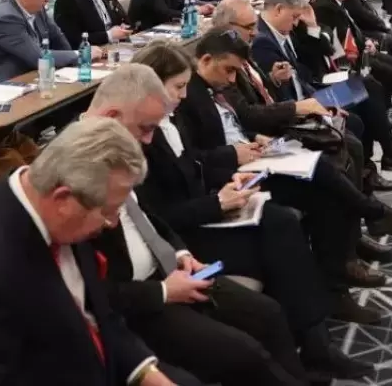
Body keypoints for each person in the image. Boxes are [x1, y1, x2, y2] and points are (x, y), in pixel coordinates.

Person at [127, 46, 373, 380]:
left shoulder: (171, 122)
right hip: (185, 233)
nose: (184, 95)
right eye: (178, 87)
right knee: (280, 230)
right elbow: (157, 215)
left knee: (281, 222)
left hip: (201, 210)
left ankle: (316, 343)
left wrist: (229, 180)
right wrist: (216, 202)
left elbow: (194, 167)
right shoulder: (141, 136)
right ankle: (312, 348)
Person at [0, 118, 197, 386]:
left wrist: (147, 374)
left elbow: (98, 315)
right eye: (108, 212)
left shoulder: (58, 213)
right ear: (63, 199)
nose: (112, 223)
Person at [81, 67, 311, 386]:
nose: (148, 140)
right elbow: (90, 291)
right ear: (111, 116)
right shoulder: (78, 171)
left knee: (268, 313)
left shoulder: (118, 145)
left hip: (170, 268)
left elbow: (148, 217)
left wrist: (180, 253)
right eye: (145, 129)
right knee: (244, 353)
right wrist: (163, 290)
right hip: (142, 301)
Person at [177, 29, 392, 317]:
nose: (233, 78)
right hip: (235, 173)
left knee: (340, 153)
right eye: (229, 70)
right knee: (326, 172)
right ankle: (372, 217)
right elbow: (204, 149)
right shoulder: (192, 93)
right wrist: (235, 151)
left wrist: (255, 137)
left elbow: (239, 120)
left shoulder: (222, 78)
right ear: (206, 60)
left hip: (259, 147)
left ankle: (344, 268)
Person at [254, 0, 392, 174]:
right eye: (294, 16)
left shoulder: (287, 26)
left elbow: (325, 49)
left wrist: (311, 25)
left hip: (313, 86)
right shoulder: (264, 41)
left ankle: (387, 155)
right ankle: (380, 161)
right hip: (308, 97)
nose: (295, 22)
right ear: (279, 9)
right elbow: (282, 90)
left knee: (368, 86)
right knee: (364, 95)